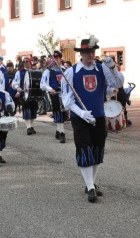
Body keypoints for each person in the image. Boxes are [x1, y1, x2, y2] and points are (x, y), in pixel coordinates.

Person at [61, 35, 122, 203]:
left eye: (92, 52)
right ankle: (90, 187)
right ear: (81, 54)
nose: (90, 55)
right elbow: (67, 101)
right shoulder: (70, 72)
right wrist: (81, 114)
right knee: (85, 149)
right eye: (87, 52)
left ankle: (91, 183)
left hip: (99, 115)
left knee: (96, 149)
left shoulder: (101, 68)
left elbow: (116, 84)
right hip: (80, 118)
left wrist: (113, 68)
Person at [40, 51, 68, 143]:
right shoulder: (48, 71)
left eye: (57, 58)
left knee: (64, 114)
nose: (56, 60)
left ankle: (58, 131)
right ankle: (62, 133)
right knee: (58, 111)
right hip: (55, 94)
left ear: (60, 58)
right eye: (54, 58)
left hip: (64, 94)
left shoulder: (65, 70)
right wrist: (50, 89)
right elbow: (42, 84)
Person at [12, 56, 39, 135]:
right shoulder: (19, 72)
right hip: (24, 94)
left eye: (27, 61)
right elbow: (14, 83)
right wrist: (18, 88)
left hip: (33, 93)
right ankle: (28, 127)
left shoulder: (35, 71)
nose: (25, 63)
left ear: (30, 62)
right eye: (24, 62)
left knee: (33, 109)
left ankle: (32, 126)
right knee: (26, 109)